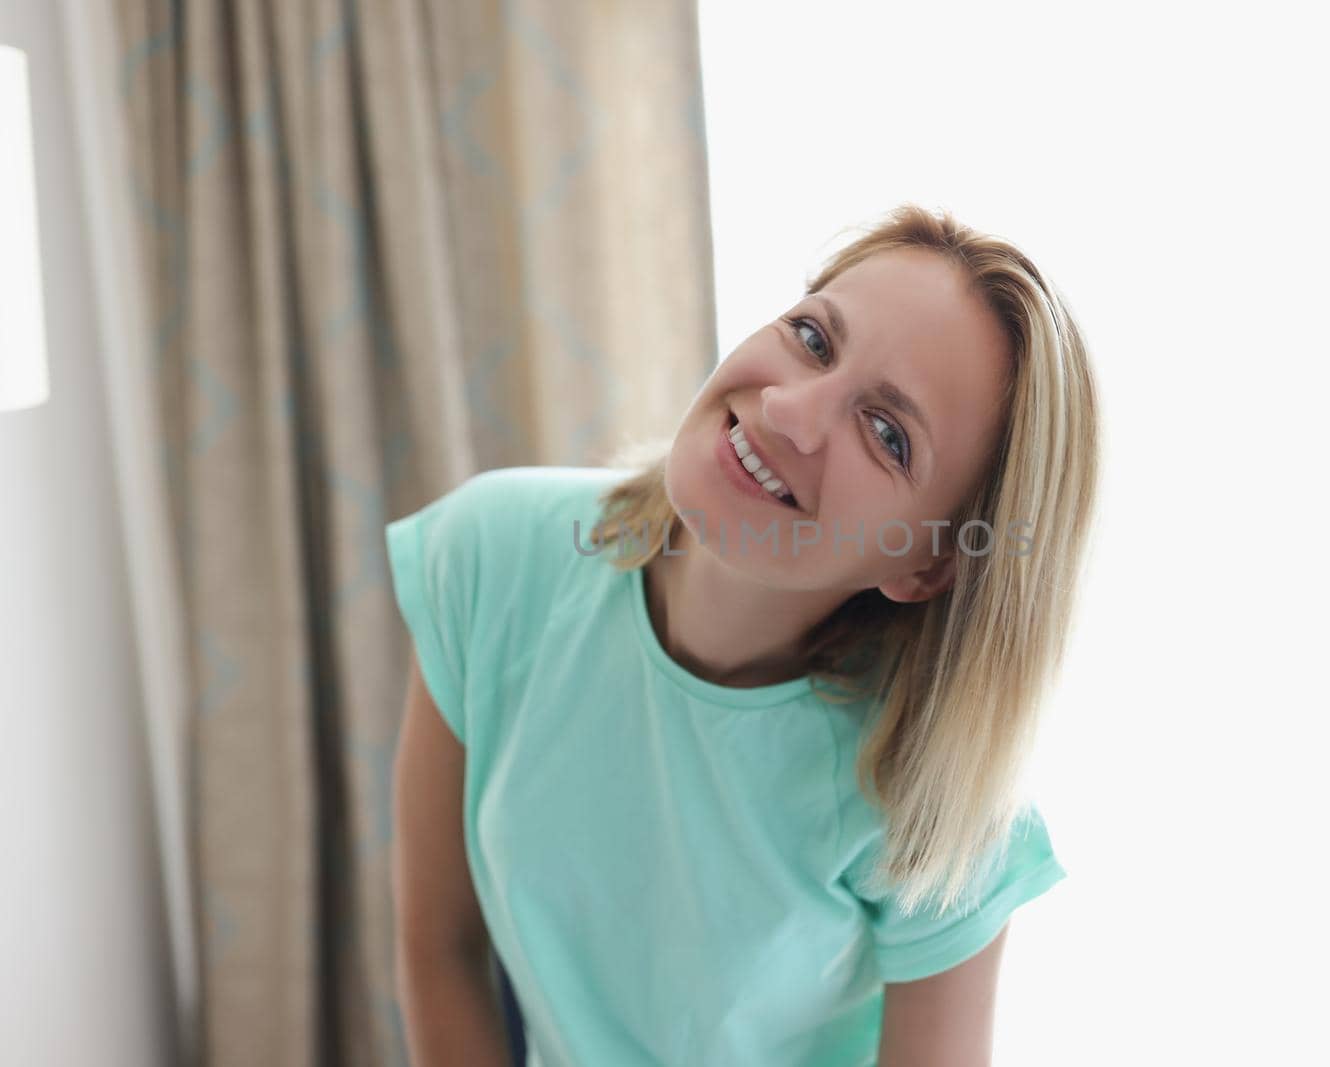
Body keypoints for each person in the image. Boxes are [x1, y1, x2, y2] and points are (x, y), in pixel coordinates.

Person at [388, 203, 1099, 1066]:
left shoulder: (934, 794)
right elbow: (441, 948)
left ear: (926, 566)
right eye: (812, 337)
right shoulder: (489, 557)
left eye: (887, 435)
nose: (790, 411)